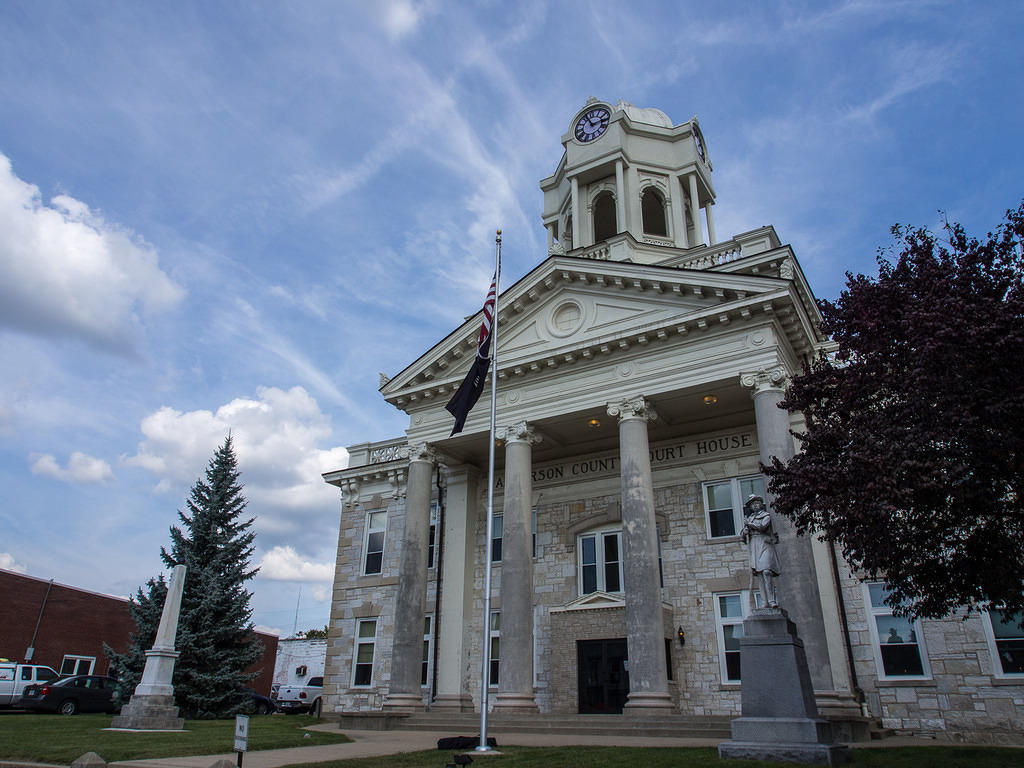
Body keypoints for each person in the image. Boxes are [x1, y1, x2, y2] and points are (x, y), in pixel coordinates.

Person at [741, 494, 781, 608]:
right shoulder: (749, 519)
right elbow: (742, 537)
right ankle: (765, 602)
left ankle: (772, 600)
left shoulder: (765, 515)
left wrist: (750, 524)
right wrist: (745, 531)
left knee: (766, 571)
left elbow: (763, 526)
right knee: (759, 574)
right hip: (754, 544)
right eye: (752, 504)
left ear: (761, 504)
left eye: (757, 503)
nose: (755, 505)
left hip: (765, 543)